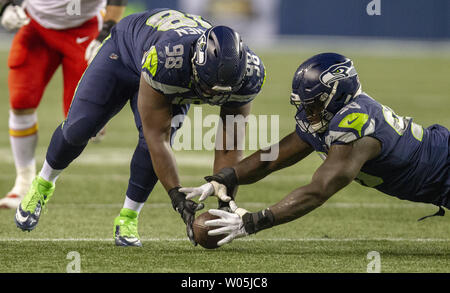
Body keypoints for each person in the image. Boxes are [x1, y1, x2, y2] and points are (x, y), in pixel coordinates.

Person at [14, 8, 266, 247]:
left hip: (166, 70)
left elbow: (229, 144)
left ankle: (128, 218)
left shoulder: (249, 75)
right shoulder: (169, 61)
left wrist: (224, 204)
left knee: (148, 148)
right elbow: (157, 136)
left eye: (221, 92)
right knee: (80, 127)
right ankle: (43, 184)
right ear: (196, 64)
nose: (212, 96)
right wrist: (177, 196)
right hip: (124, 54)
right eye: (209, 87)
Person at [181, 52, 449, 246]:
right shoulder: (329, 116)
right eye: (304, 105)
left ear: (338, 95)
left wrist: (252, 222)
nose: (308, 113)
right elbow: (271, 159)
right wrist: (224, 178)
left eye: (314, 105)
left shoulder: (355, 123)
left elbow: (318, 190)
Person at [0, 0, 127, 209]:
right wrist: (8, 5)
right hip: (36, 25)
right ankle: (23, 183)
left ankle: (98, 118)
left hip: (83, 28)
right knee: (21, 100)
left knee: (84, 123)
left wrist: (106, 31)